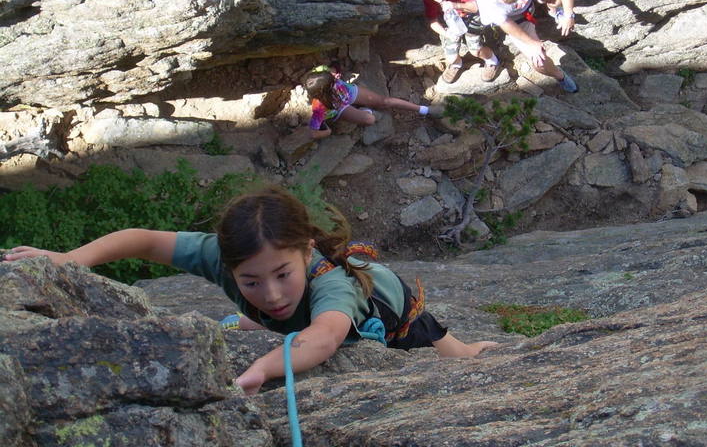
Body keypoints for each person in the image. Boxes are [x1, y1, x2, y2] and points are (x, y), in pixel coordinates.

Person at [3, 186, 498, 395]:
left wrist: (261, 368)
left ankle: (473, 350)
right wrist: (67, 261)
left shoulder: (334, 285)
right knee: (274, 320)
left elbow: (324, 339)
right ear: (229, 265)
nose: (271, 290)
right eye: (251, 282)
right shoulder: (220, 253)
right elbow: (142, 240)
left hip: (386, 315)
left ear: (307, 251)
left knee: (442, 347)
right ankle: (252, 326)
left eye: (283, 273)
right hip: (309, 321)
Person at [474, 0, 579, 93]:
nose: (519, 2)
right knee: (539, 62)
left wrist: (568, 13)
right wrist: (532, 44)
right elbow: (507, 25)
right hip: (516, 19)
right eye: (513, 1)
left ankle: (553, 9)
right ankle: (560, 76)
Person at [305, 68, 440, 139]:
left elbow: (332, 70)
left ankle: (424, 109)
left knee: (384, 101)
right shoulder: (319, 109)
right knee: (370, 119)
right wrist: (327, 132)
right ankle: (364, 110)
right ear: (326, 91)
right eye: (333, 81)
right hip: (339, 108)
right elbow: (313, 133)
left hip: (348, 92)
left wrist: (334, 71)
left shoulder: (324, 75)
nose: (335, 78)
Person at [419, 0, 500, 84]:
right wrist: (446, 33)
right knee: (451, 56)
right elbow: (433, 21)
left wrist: (454, 5)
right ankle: (456, 64)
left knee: (475, 49)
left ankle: (492, 61)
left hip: (469, 15)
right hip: (450, 21)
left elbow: (474, 7)